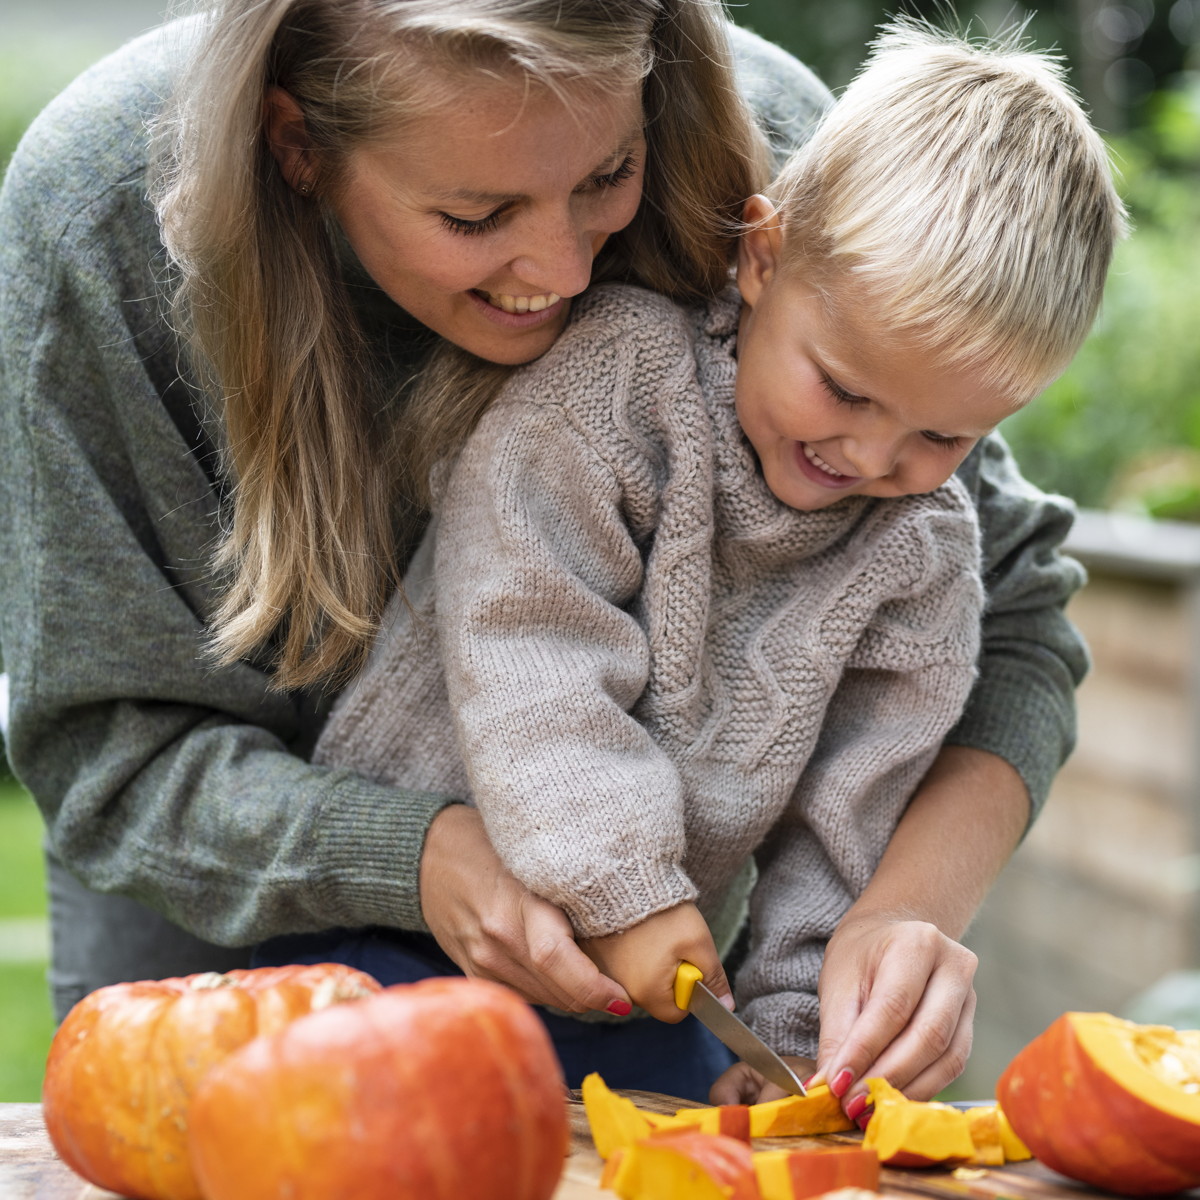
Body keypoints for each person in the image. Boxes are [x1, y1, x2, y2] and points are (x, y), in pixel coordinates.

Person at [0, 0, 1088, 1106]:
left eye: (610, 174)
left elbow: (1011, 622)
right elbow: (115, 756)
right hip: (232, 924)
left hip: (637, 955)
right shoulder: (97, 226)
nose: (567, 274)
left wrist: (887, 923)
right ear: (296, 144)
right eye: (477, 214)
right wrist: (433, 857)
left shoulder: (788, 161)